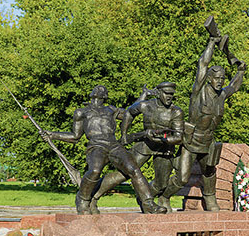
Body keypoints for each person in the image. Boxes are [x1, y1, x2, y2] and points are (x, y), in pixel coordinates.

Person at [41, 85, 166, 215]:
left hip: (114, 145)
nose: (99, 88)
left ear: (105, 96)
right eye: (97, 88)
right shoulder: (81, 112)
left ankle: (149, 204)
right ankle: (82, 199)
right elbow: (75, 136)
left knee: (133, 169)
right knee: (94, 170)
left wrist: (144, 95)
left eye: (102, 88)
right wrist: (53, 134)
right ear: (92, 93)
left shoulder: (110, 109)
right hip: (96, 146)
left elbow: (131, 111)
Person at [160, 34, 246, 211]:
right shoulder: (199, 91)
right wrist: (212, 43)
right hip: (191, 141)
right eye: (216, 78)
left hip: (208, 141)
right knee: (182, 178)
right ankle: (164, 197)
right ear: (209, 78)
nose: (220, 81)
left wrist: (241, 71)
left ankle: (210, 198)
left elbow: (235, 86)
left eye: (222, 78)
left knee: (209, 171)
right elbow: (203, 64)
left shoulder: (222, 95)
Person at [90, 82, 184, 213]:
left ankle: (144, 199)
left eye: (171, 94)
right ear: (158, 93)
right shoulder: (146, 105)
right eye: (166, 93)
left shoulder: (176, 111)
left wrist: (162, 139)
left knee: (162, 184)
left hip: (164, 148)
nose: (169, 97)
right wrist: (124, 135)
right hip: (145, 145)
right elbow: (129, 113)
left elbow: (179, 137)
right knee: (124, 174)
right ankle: (93, 197)